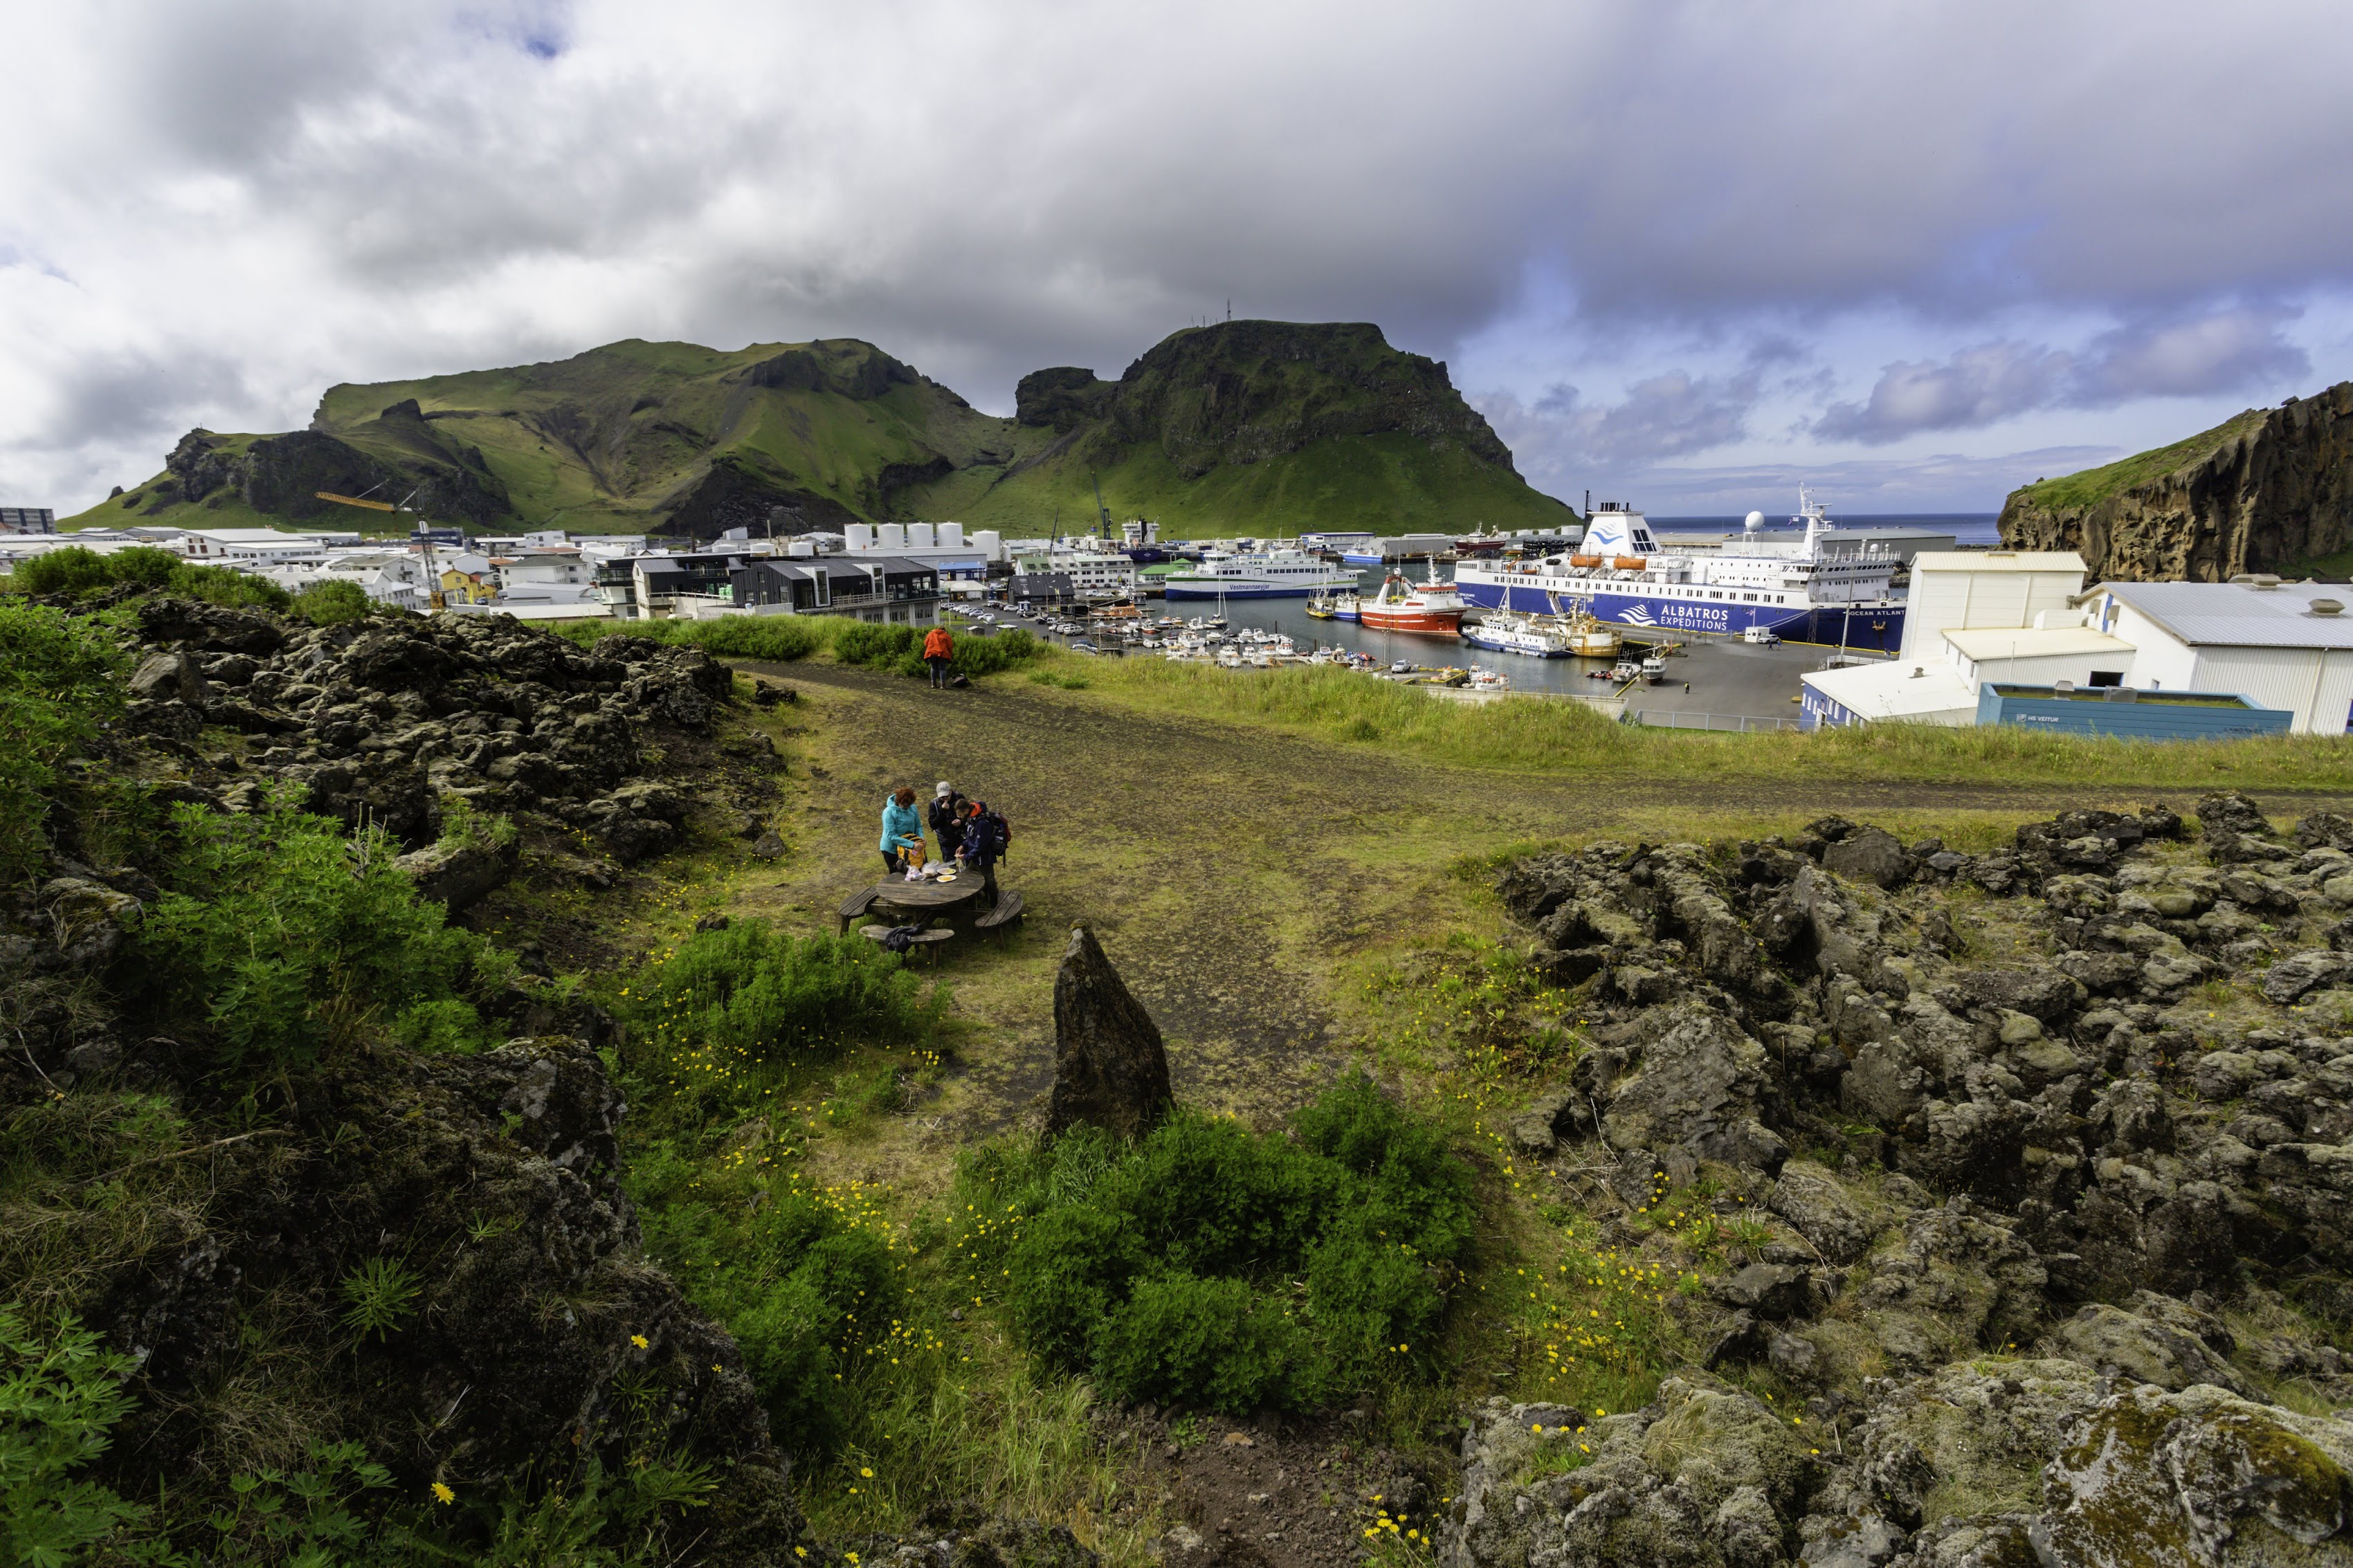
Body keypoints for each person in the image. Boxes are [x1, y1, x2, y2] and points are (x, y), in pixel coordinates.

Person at [957, 796, 1008, 909]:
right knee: (969, 877)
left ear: (966, 810)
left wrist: (966, 856)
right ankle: (978, 901)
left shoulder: (982, 824)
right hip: (974, 857)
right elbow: (971, 838)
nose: (959, 817)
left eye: (960, 815)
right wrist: (963, 845)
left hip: (984, 859)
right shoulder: (971, 819)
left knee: (990, 883)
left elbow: (980, 846)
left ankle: (995, 906)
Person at [879, 786, 923, 873]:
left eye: (910, 805)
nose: (907, 808)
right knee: (898, 875)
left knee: (915, 871)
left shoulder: (913, 808)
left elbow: (918, 826)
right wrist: (912, 844)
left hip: (910, 848)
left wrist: (921, 838)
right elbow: (891, 835)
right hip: (892, 850)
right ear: (898, 801)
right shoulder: (888, 813)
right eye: (905, 805)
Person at [928, 780, 967, 858]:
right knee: (950, 867)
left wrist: (961, 822)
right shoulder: (934, 804)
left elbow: (967, 813)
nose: (945, 799)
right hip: (946, 842)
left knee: (968, 864)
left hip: (962, 838)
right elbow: (933, 825)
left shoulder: (959, 798)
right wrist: (942, 811)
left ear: (951, 791)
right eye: (942, 797)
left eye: (947, 796)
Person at [923, 623, 955, 689]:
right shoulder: (946, 636)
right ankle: (943, 685)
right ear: (944, 630)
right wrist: (950, 655)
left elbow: (926, 643)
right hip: (942, 654)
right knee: (942, 669)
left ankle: (933, 684)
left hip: (931, 653)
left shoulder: (930, 634)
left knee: (933, 668)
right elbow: (950, 647)